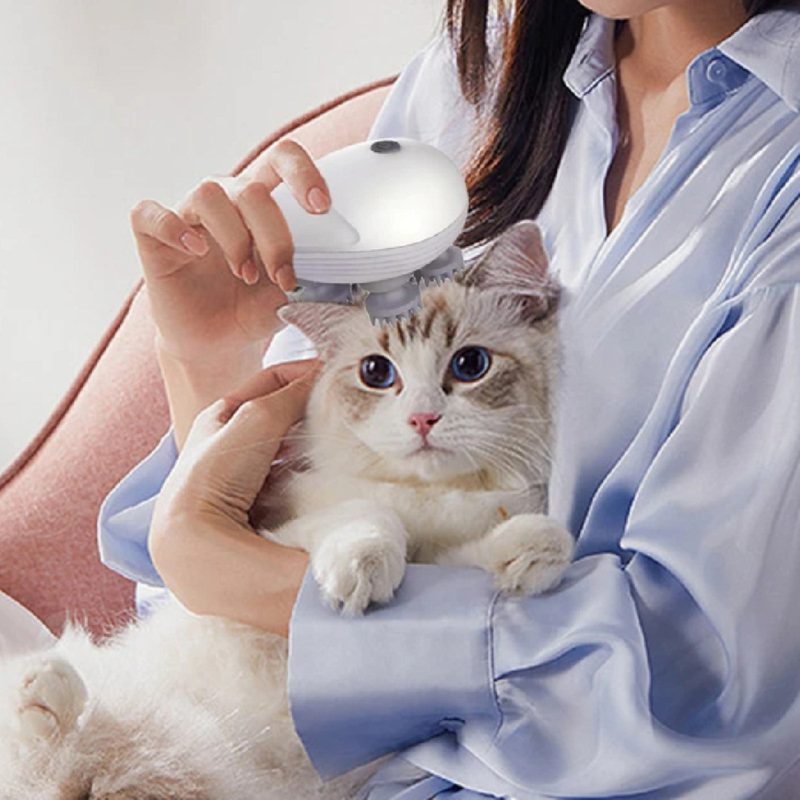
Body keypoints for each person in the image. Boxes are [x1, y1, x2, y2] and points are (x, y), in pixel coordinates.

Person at [99, 0, 800, 796]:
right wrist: (213, 359)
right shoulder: (474, 78)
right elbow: (226, 567)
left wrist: (259, 584)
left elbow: (709, 693)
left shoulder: (778, 170)